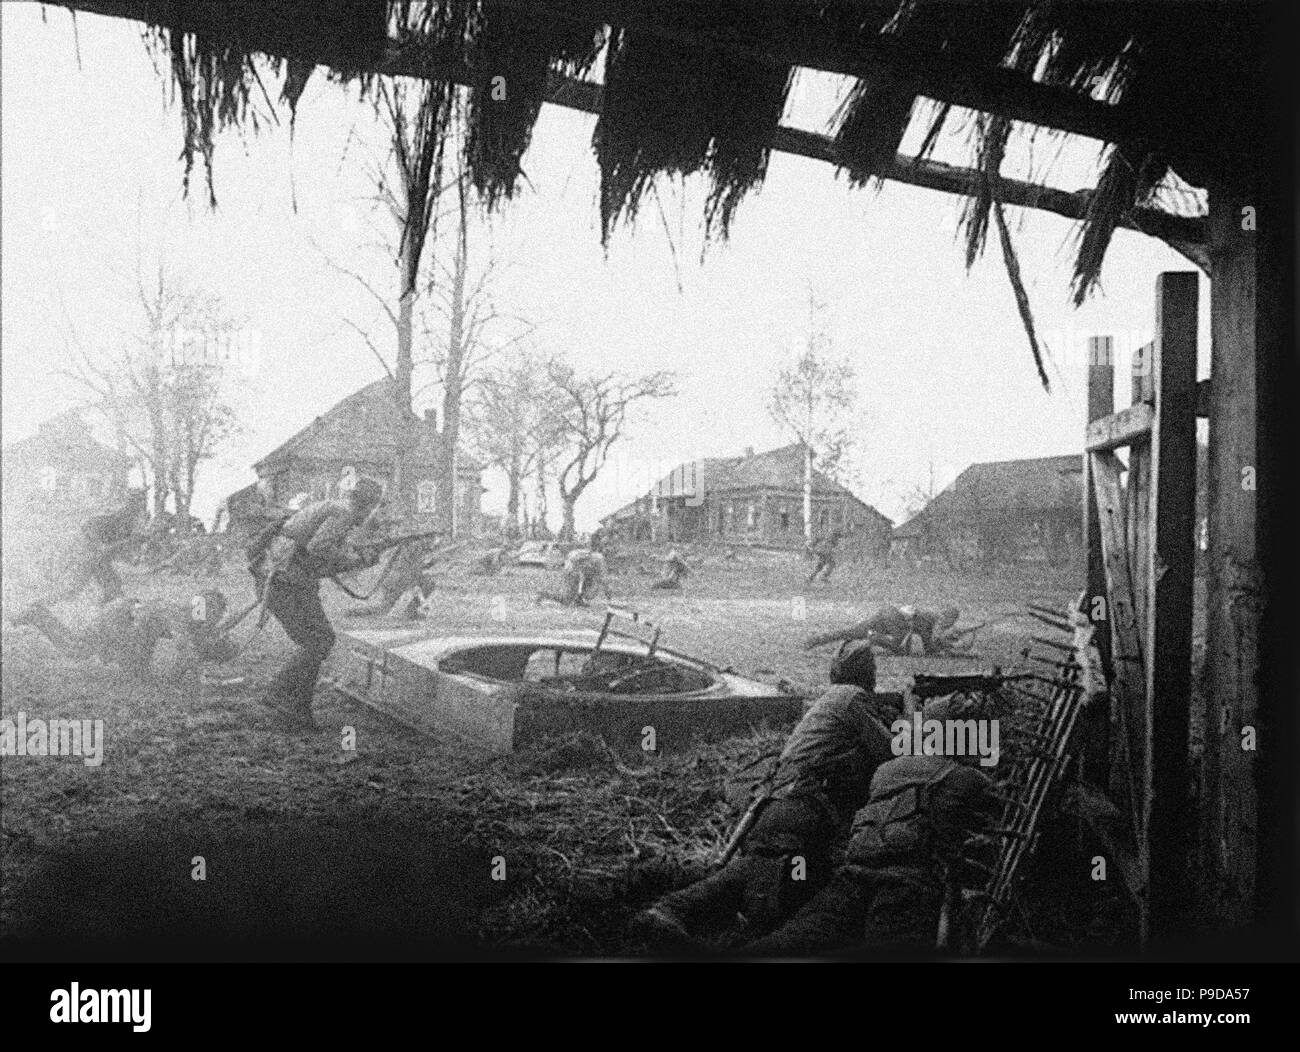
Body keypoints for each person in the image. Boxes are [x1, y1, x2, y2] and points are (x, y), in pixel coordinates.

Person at [632, 640, 894, 948]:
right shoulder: (851, 697)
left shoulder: (828, 704)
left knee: (757, 876)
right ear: (868, 674)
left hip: (774, 809)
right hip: (802, 817)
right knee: (804, 900)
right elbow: (891, 754)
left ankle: (666, 908)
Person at [743, 754, 999, 956]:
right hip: (907, 880)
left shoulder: (885, 771)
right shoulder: (967, 777)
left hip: (853, 873)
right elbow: (990, 819)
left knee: (796, 938)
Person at [255, 477, 385, 728]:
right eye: (374, 509)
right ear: (368, 505)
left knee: (315, 642)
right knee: (320, 640)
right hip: (286, 584)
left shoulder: (332, 508)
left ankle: (297, 708)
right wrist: (358, 559)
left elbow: (314, 557)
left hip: (281, 581)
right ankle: (280, 694)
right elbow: (319, 550)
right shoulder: (343, 514)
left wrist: (357, 556)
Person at [10, 589, 236, 682]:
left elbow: (194, 641)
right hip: (120, 619)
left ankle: (38, 614)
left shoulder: (194, 611)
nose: (215, 620)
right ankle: (38, 615)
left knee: (138, 670)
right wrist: (196, 674)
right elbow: (185, 647)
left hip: (128, 618)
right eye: (215, 614)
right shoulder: (185, 614)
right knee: (76, 649)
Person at [805, 605, 961, 656]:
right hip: (893, 618)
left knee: (852, 632)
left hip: (890, 615)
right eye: (951, 621)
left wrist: (946, 649)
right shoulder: (938, 620)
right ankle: (872, 636)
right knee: (898, 645)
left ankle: (815, 640)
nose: (950, 624)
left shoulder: (932, 619)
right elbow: (935, 639)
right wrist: (952, 645)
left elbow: (929, 648)